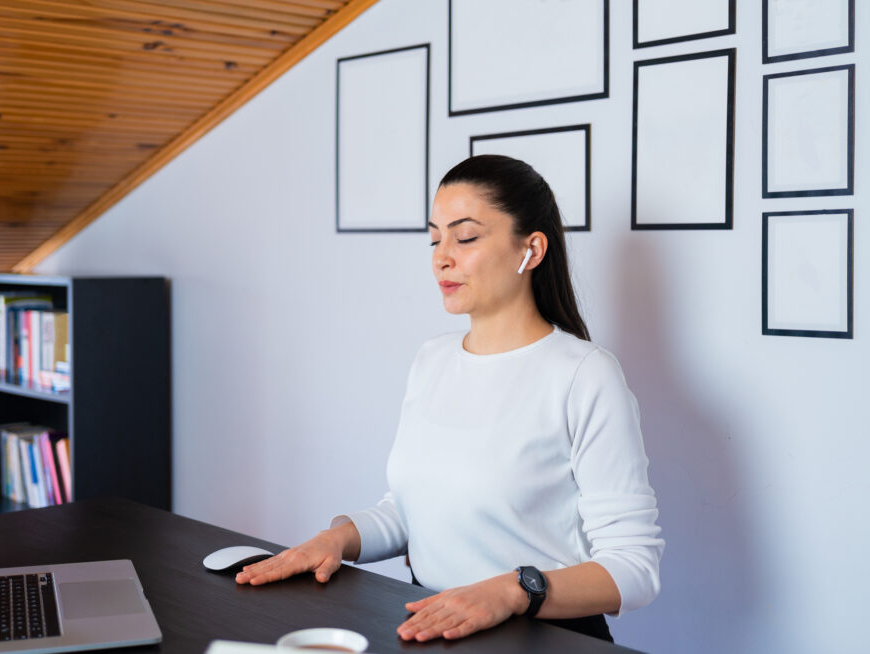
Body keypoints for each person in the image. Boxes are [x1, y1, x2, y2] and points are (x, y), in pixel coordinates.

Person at [235, 155, 664, 643]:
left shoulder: (586, 375)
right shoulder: (432, 359)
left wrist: (512, 590)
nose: (442, 256)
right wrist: (337, 538)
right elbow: (413, 509)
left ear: (532, 249)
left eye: (465, 237)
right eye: (435, 237)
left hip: (545, 639)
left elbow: (634, 567)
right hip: (434, 628)